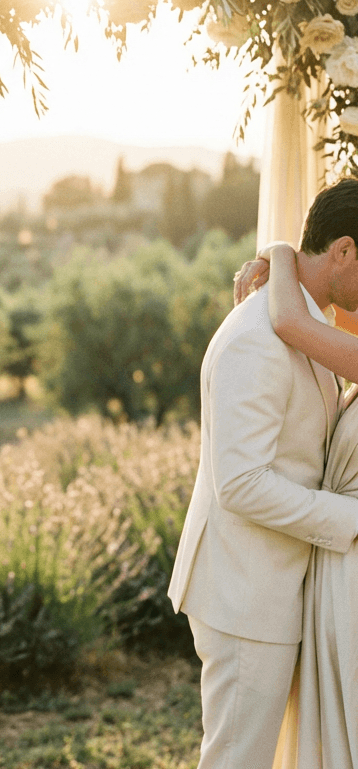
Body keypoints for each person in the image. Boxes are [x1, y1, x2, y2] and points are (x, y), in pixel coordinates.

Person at [168, 176, 358, 769]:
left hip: (279, 587)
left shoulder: (302, 322)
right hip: (245, 595)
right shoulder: (259, 336)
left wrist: (277, 254)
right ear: (346, 250)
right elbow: (242, 483)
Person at [233, 187, 358, 768]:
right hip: (319, 570)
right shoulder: (300, 331)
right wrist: (281, 255)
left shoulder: (293, 321)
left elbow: (286, 316)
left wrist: (279, 251)